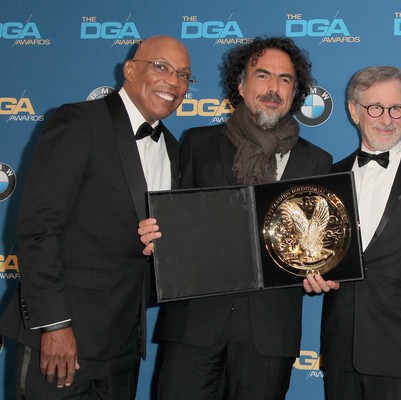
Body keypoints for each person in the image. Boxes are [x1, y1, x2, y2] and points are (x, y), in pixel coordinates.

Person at [139, 37, 333, 400]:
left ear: (296, 92)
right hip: (194, 326)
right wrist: (153, 236)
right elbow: (171, 224)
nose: (273, 88)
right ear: (241, 86)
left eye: (285, 80)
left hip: (268, 335)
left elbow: (318, 244)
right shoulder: (197, 144)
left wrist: (322, 271)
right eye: (262, 76)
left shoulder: (317, 162)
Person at [0, 35, 190, 398]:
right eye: (162, 67)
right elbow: (39, 230)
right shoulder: (79, 122)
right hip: (62, 341)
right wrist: (55, 326)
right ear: (130, 70)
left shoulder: (172, 148)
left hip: (122, 348)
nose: (174, 81)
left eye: (183, 75)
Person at [304, 66, 401, 400]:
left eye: (396, 108)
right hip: (342, 350)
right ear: (354, 111)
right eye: (375, 107)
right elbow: (315, 255)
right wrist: (311, 275)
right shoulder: (329, 176)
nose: (386, 119)